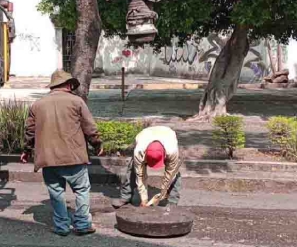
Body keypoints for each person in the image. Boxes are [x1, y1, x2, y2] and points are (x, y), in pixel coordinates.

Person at [21, 69, 103, 236]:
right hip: (73, 158)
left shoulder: (38, 105)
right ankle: (82, 224)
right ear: (68, 84)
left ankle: (62, 226)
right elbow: (90, 128)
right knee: (81, 190)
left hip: (48, 159)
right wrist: (97, 144)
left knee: (56, 193)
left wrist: (26, 150)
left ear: (53, 86)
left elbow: (29, 131)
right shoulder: (77, 102)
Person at [113, 125, 181, 208]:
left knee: (174, 172)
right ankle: (125, 196)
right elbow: (140, 175)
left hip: (166, 134)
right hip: (146, 134)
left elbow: (170, 175)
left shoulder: (172, 151)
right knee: (132, 168)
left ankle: (172, 201)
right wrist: (144, 199)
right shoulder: (139, 151)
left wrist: (163, 191)